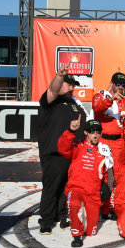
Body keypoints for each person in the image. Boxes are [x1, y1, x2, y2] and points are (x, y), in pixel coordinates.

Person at [37, 64, 87, 234]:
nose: (71, 88)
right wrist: (59, 76)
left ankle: (62, 215)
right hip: (54, 153)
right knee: (52, 187)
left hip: (73, 153)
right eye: (68, 84)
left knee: (66, 187)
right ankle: (46, 220)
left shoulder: (74, 103)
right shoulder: (50, 101)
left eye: (73, 85)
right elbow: (53, 89)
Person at [58, 119, 113, 247]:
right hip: (76, 188)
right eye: (92, 131)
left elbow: (105, 173)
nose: (95, 134)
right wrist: (71, 131)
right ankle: (76, 235)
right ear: (85, 132)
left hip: (93, 192)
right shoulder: (78, 146)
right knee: (74, 204)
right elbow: (62, 149)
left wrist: (104, 188)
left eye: (98, 131)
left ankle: (77, 218)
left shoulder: (104, 150)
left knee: (90, 231)